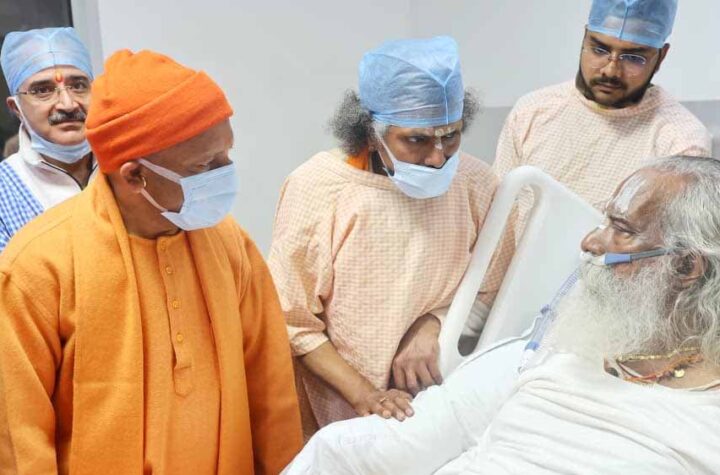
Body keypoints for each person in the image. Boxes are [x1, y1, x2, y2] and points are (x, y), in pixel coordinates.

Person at [283, 156, 720, 474]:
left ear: (686, 266)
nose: (590, 242)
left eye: (621, 230)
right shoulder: (556, 350)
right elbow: (417, 435)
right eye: (604, 222)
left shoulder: (705, 417)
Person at [0, 49, 302, 474]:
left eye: (226, 156)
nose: (225, 173)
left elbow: (271, 389)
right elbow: (20, 436)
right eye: (205, 165)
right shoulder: (38, 266)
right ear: (134, 176)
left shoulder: (229, 242)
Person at [268, 36, 511, 436]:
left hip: (438, 404)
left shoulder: (476, 183)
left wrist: (433, 323)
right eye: (416, 140)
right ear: (371, 131)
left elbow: (495, 289)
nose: (438, 157)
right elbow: (292, 321)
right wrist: (366, 394)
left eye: (450, 135)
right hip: (333, 406)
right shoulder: (318, 188)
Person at [494, 0, 711, 236]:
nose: (611, 70)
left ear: (660, 57)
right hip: (522, 261)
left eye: (633, 57)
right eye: (600, 50)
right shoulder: (532, 112)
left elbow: (667, 245)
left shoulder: (680, 141)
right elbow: (499, 218)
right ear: (584, 38)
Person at [0, 27, 97, 251]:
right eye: (43, 90)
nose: (68, 104)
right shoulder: (4, 194)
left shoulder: (132, 168)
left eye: (78, 86)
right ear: (16, 108)